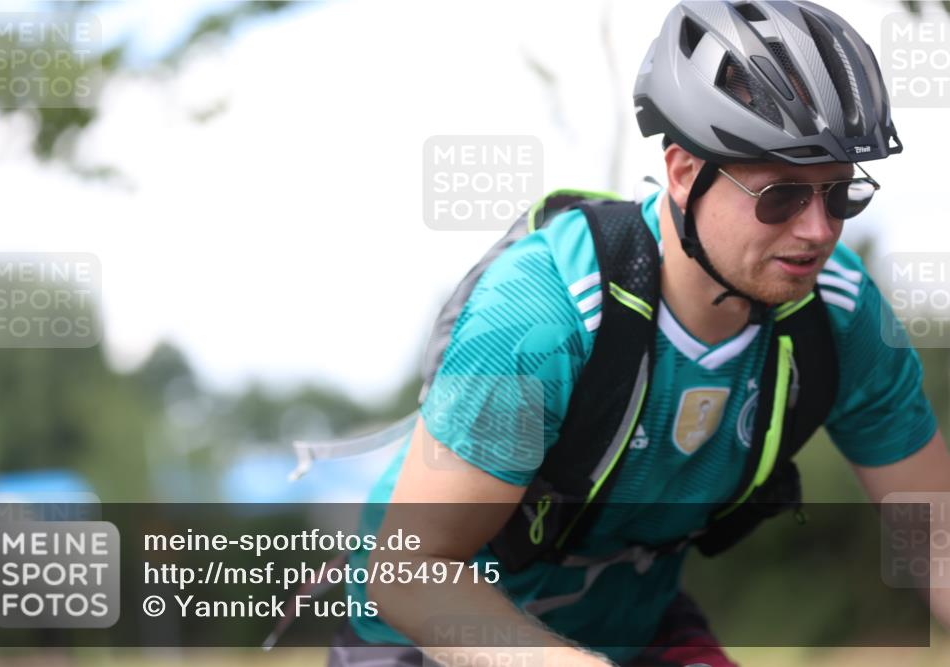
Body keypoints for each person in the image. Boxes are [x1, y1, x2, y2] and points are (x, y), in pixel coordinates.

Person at [327, 1, 950, 665]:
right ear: (683, 173)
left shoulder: (840, 312)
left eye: (841, 193)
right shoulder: (542, 312)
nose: (819, 230)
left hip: (630, 625)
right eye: (781, 196)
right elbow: (411, 571)